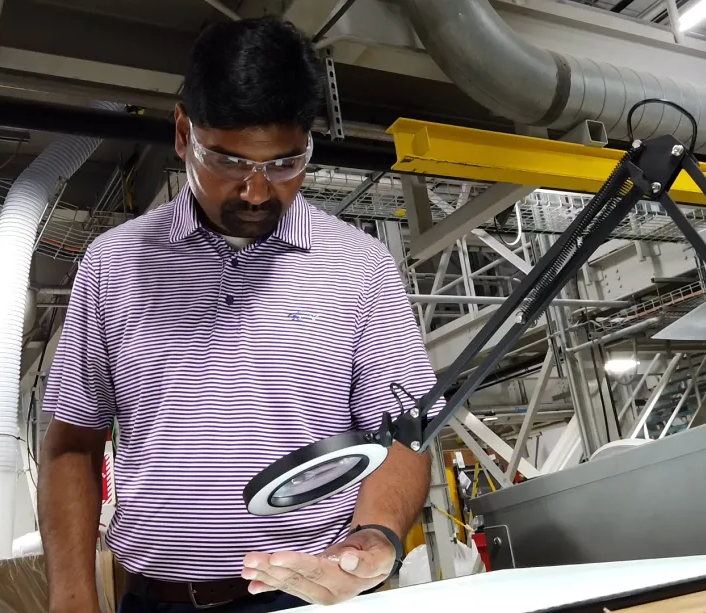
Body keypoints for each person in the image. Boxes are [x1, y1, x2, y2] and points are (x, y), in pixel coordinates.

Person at [38, 17, 439, 613]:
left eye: (284, 164)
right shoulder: (116, 262)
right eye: (227, 162)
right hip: (155, 601)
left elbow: (406, 434)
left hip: (309, 598)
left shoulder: (359, 265)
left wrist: (377, 538)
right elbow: (72, 444)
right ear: (183, 134)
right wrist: (72, 597)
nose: (256, 190)